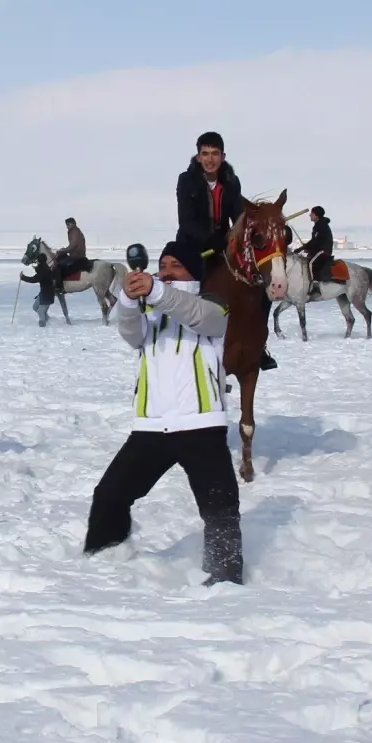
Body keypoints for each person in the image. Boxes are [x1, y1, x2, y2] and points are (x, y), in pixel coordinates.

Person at [83, 238, 242, 585]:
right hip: (151, 428)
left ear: (193, 273)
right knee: (109, 495)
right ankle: (103, 561)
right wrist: (127, 298)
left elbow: (200, 317)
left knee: (219, 508)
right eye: (163, 266)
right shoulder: (149, 313)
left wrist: (156, 291)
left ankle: (225, 579)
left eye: (176, 266)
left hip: (201, 426)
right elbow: (129, 332)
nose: (167, 272)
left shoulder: (212, 304)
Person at [176, 130, 276, 371]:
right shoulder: (186, 180)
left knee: (258, 284)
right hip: (193, 246)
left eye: (215, 154)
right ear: (198, 156)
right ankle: (184, 345)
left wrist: (249, 232)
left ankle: (258, 345)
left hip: (223, 245)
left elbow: (237, 216)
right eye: (205, 154)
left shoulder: (232, 181)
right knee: (187, 288)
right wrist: (210, 239)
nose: (210, 159)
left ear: (223, 156)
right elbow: (186, 220)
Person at [296, 206, 334, 298]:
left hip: (323, 251)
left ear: (316, 215)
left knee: (311, 263)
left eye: (312, 213)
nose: (310, 215)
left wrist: (303, 248)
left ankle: (316, 287)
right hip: (317, 250)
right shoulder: (318, 225)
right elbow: (314, 241)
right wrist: (304, 248)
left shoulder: (322, 226)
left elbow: (316, 241)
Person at [20, 253, 56, 327]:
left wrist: (23, 277)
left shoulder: (43, 270)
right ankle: (47, 319)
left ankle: (42, 324)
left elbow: (34, 279)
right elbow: (39, 271)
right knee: (35, 307)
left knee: (40, 311)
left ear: (39, 261)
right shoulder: (44, 267)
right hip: (44, 293)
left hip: (47, 294)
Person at [53, 217, 89, 286]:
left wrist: (62, 251)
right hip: (76, 254)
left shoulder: (75, 232)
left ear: (73, 224)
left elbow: (73, 246)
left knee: (58, 266)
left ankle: (59, 286)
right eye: (66, 225)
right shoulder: (74, 231)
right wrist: (63, 250)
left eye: (68, 225)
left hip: (76, 255)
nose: (67, 227)